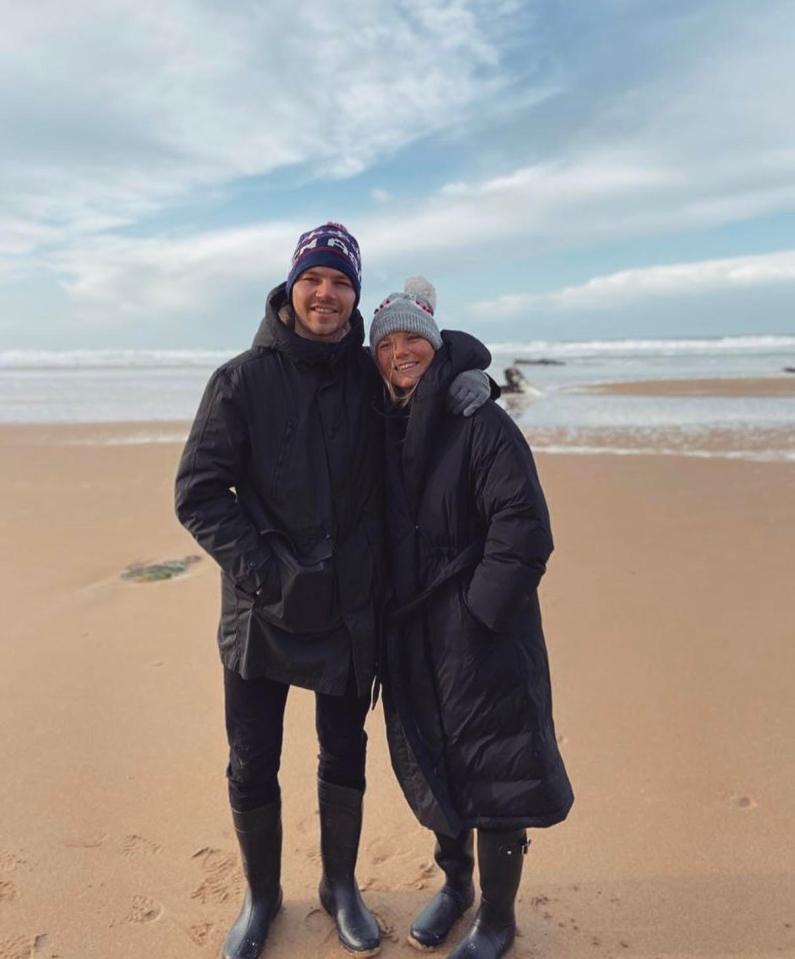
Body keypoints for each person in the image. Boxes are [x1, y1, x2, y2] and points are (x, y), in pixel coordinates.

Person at [174, 225, 491, 959]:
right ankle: (260, 896)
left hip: (352, 610)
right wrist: (269, 573)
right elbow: (198, 493)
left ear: (354, 294)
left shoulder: (366, 372)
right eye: (314, 278)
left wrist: (470, 379)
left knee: (342, 753)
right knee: (252, 758)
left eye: (341, 281)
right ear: (292, 286)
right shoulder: (239, 380)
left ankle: (338, 885)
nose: (326, 293)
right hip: (261, 610)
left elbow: (424, 368)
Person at [370, 278, 574, 959]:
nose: (401, 352)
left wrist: (478, 614)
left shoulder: (481, 422)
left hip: (481, 633)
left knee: (497, 773)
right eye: (387, 343)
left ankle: (496, 917)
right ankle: (455, 886)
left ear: (434, 345)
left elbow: (523, 528)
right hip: (409, 635)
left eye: (412, 340)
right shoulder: (379, 425)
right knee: (435, 764)